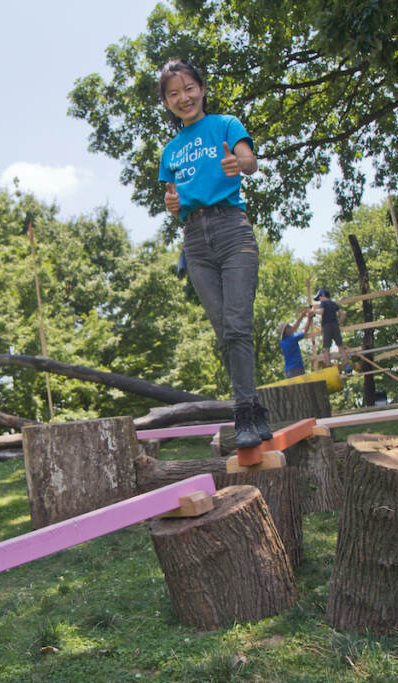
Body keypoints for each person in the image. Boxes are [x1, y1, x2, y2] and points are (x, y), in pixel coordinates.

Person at [158, 58, 271, 448]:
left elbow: (250, 162)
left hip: (231, 230)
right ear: (167, 102)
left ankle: (244, 413)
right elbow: (172, 198)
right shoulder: (170, 151)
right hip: (195, 242)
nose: (183, 97)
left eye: (189, 88)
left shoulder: (226, 124)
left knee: (238, 323)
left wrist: (237, 163)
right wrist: (173, 205)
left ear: (201, 89)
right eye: (174, 93)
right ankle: (253, 409)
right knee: (224, 331)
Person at [312, 288, 351, 374]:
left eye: (319, 298)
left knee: (326, 348)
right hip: (335, 325)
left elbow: (321, 311)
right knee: (340, 347)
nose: (319, 300)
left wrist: (314, 311)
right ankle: (347, 367)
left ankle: (329, 368)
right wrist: (338, 323)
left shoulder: (323, 303)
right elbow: (343, 314)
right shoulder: (333, 303)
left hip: (326, 326)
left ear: (322, 295)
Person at [278, 309, 314, 378]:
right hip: (296, 368)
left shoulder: (282, 341)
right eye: (289, 327)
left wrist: (301, 316)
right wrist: (309, 318)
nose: (291, 327)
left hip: (288, 370)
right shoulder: (292, 338)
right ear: (285, 331)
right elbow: (304, 330)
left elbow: (293, 329)